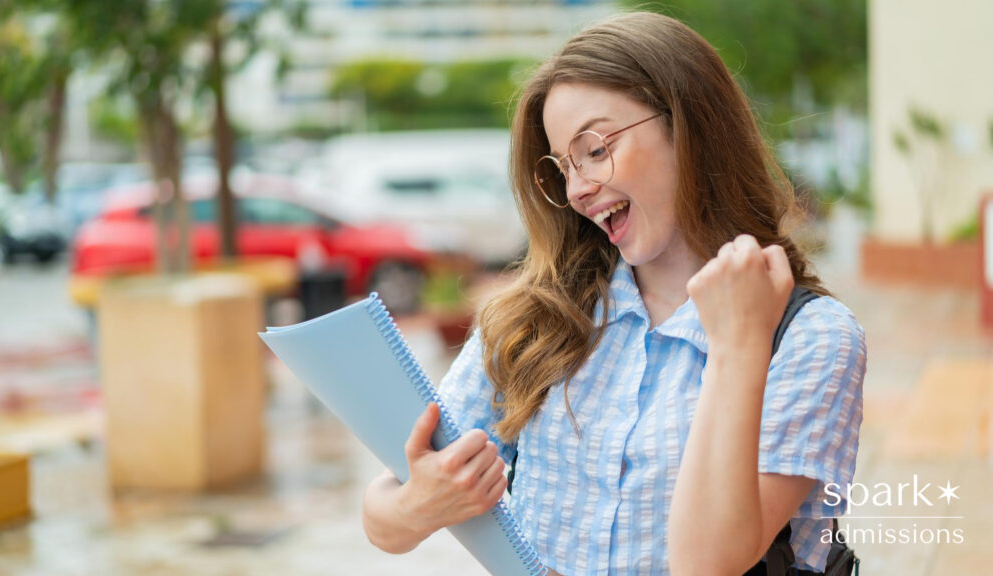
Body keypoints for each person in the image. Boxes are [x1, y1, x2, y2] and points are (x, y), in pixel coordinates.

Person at [362, 11, 866, 576]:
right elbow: (383, 516)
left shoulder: (810, 337)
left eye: (596, 150)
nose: (578, 188)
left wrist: (736, 346)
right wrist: (416, 504)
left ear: (690, 125)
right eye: (563, 167)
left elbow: (710, 562)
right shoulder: (535, 318)